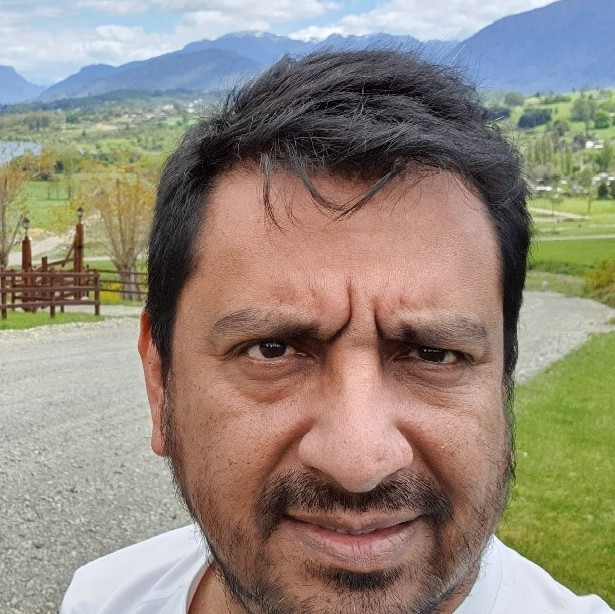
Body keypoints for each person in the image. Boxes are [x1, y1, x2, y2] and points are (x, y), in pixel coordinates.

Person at [61, 50, 612, 614]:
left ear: (502, 388)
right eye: (272, 349)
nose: (358, 462)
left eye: (433, 354)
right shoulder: (102, 600)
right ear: (161, 383)